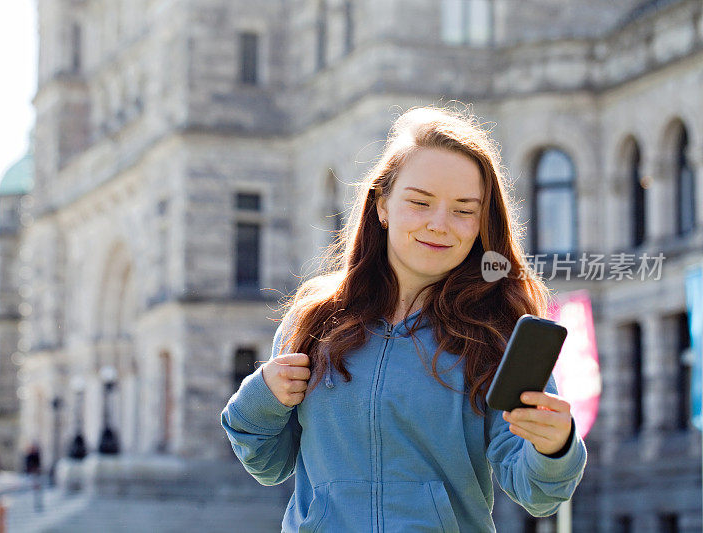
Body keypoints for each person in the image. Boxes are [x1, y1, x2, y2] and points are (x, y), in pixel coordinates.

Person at [221, 105, 587, 532]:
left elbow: (538, 494)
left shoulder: (497, 335)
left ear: (481, 225)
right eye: (420, 202)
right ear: (382, 205)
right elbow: (268, 465)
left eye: (464, 210)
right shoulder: (315, 320)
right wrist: (261, 395)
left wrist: (555, 447)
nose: (439, 224)